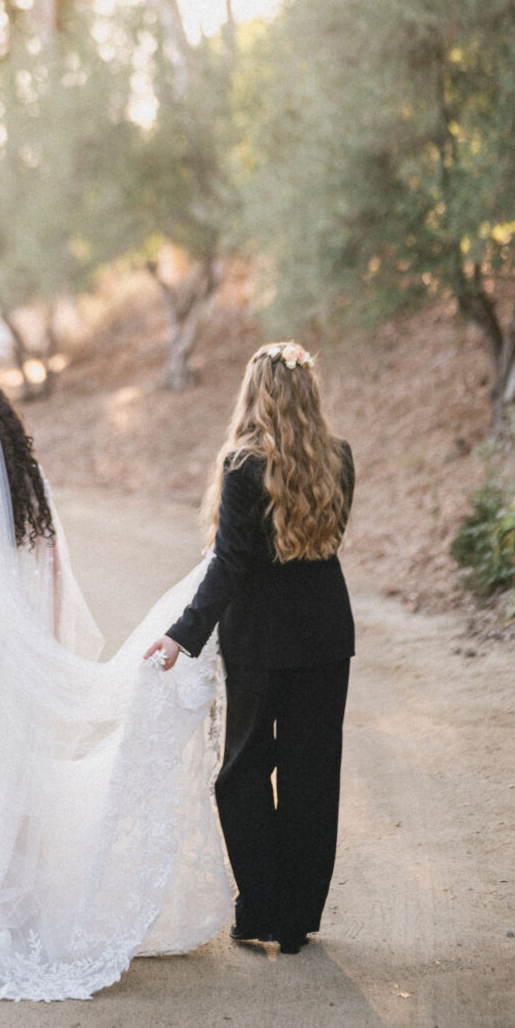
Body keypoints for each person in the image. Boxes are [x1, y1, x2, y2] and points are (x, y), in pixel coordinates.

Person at [0, 362, 232, 1009]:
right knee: (20, 770)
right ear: (0, 413)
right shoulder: (25, 477)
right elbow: (52, 566)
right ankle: (30, 913)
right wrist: (48, 641)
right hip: (20, 645)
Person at [145, 341, 355, 956]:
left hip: (262, 641)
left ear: (255, 392)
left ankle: (260, 906)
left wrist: (183, 634)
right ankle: (295, 921)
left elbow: (231, 563)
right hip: (325, 637)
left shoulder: (243, 464)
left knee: (238, 776)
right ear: (308, 394)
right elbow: (328, 540)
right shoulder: (338, 458)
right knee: (312, 777)